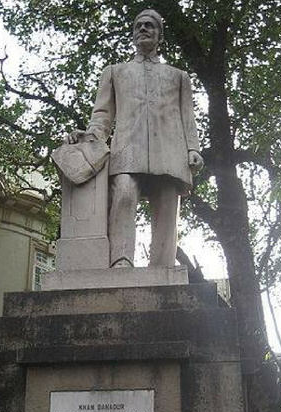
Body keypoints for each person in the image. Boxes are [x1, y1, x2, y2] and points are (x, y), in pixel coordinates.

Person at [67, 9, 204, 268]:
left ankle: (162, 268)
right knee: (125, 194)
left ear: (159, 36)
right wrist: (91, 135)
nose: (143, 29)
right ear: (132, 34)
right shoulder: (115, 72)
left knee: (167, 204)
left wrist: (193, 148)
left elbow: (188, 116)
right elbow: (102, 114)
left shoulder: (178, 76)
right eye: (139, 26)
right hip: (127, 149)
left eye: (150, 25)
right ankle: (121, 259)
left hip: (170, 151)